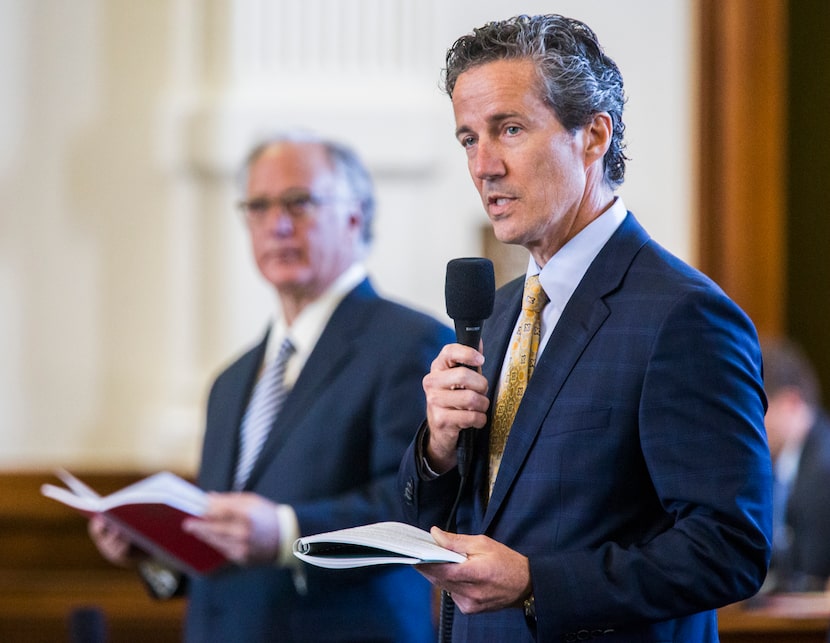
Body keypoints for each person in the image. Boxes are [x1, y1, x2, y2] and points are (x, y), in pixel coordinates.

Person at [397, 14, 773, 642]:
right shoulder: (499, 310)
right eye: (467, 139)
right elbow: (460, 519)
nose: (483, 165)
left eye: (509, 129)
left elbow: (729, 549)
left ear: (593, 136)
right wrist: (436, 449)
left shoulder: (682, 316)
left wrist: (535, 581)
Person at [89, 132, 453, 642]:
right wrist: (158, 550)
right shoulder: (231, 380)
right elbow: (228, 542)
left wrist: (286, 533)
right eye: (258, 207)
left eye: (299, 203)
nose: (277, 225)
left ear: (355, 214)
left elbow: (417, 510)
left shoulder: (412, 344)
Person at [761, 336, 830, 593]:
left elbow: (811, 574)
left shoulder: (824, 470)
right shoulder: (775, 465)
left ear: (791, 403)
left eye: (755, 410)